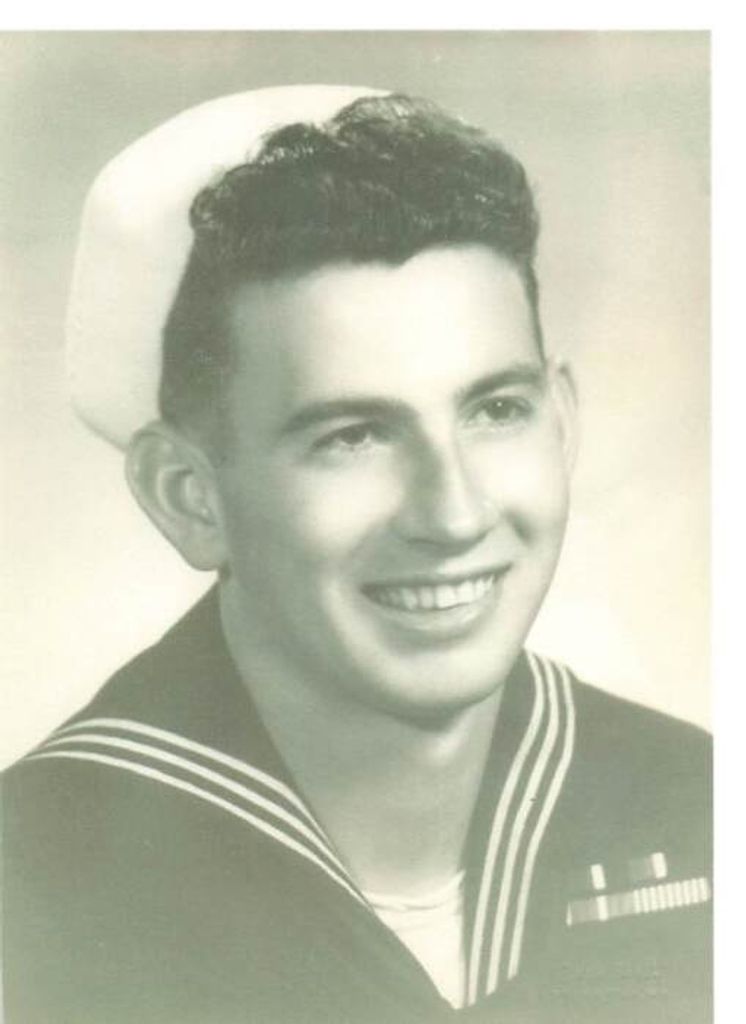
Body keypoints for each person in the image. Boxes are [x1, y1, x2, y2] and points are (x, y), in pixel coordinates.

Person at [2, 86, 711, 1024]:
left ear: (563, 423)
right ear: (189, 497)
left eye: (496, 410)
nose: (453, 514)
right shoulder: (34, 885)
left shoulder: (701, 804)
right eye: (352, 436)